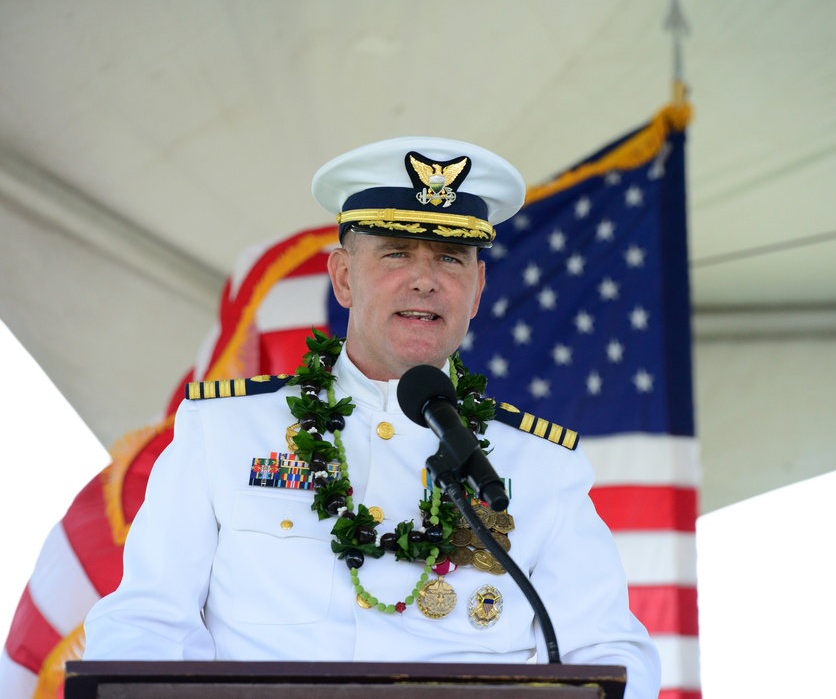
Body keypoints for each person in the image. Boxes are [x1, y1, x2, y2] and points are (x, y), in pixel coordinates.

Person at [83, 137, 662, 696]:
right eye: (395, 252)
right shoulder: (227, 431)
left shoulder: (539, 465)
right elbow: (146, 624)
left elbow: (609, 653)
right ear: (342, 277)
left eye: (451, 259)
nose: (425, 279)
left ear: (478, 287)